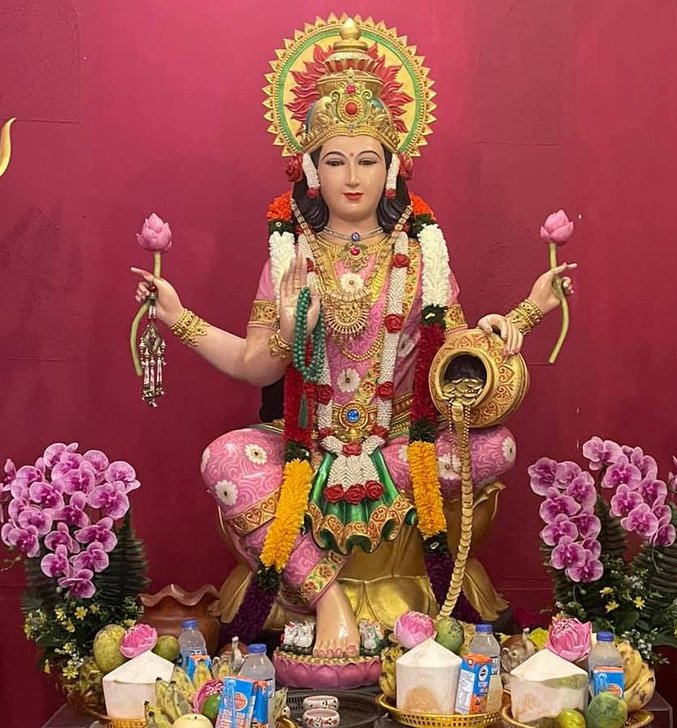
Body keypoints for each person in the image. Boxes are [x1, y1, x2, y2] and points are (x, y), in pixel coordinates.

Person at [131, 18, 575, 659]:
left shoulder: (423, 255)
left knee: (497, 445)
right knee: (223, 460)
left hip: (398, 450)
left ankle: (341, 575)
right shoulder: (290, 256)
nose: (352, 177)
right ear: (311, 169)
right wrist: (183, 319)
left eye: (367, 160)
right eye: (334, 161)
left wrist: (520, 318)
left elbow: (454, 364)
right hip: (309, 451)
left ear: (392, 167)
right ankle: (327, 597)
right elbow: (257, 366)